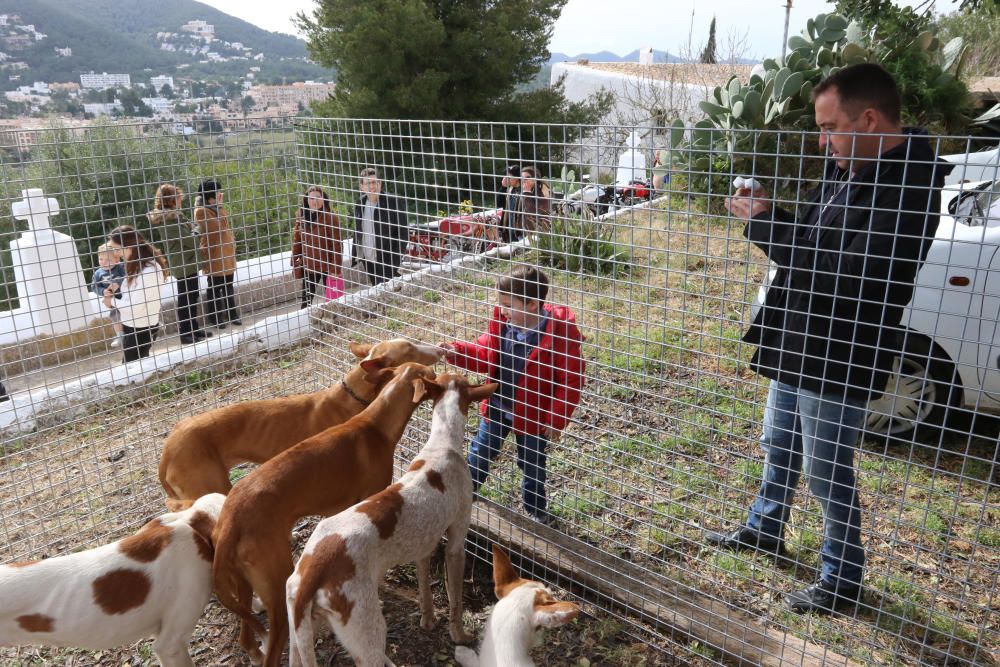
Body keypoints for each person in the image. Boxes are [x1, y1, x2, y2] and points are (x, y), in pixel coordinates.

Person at [708, 63, 951, 614]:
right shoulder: (850, 162)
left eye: (829, 127)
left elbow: (853, 276)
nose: (822, 141)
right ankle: (765, 527)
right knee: (779, 443)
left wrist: (766, 226)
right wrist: (770, 211)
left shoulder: (911, 186)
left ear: (868, 119)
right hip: (799, 336)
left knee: (825, 472)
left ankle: (842, 578)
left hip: (841, 350)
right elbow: (816, 239)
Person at [440, 265, 585, 524]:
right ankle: (464, 496)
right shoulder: (503, 326)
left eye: (508, 304)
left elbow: (571, 381)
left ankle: (536, 511)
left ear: (531, 305)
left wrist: (556, 418)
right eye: (501, 303)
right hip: (498, 406)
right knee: (480, 452)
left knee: (532, 464)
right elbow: (485, 354)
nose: (502, 309)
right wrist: (457, 351)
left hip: (534, 416)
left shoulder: (560, 334)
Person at [147, 183, 212, 345]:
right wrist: (197, 229)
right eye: (178, 198)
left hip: (187, 262)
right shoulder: (168, 221)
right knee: (186, 299)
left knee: (192, 295)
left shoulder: (175, 216)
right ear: (171, 200)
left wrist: (194, 229)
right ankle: (185, 333)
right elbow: (191, 240)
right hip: (183, 263)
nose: (181, 200)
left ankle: (194, 328)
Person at [103, 225, 169, 363]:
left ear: (128, 246)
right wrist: (118, 288)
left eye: (117, 249)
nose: (116, 254)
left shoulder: (149, 271)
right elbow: (135, 294)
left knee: (132, 371)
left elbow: (136, 306)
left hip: (141, 329)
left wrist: (112, 302)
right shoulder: (138, 264)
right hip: (133, 326)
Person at [194, 179, 241, 330]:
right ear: (210, 195)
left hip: (226, 253)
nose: (221, 194)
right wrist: (220, 207)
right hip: (214, 254)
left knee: (228, 286)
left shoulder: (216, 208)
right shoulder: (201, 211)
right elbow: (218, 227)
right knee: (215, 288)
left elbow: (225, 224)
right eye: (218, 192)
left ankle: (232, 315)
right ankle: (216, 318)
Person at [352, 167, 409, 285]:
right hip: (367, 259)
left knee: (388, 290)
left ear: (380, 183)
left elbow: (403, 233)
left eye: (375, 182)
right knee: (377, 289)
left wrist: (395, 261)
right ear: (362, 187)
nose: (372, 186)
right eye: (368, 183)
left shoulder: (393, 202)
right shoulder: (359, 203)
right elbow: (358, 229)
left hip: (387, 259)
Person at [292, 186, 342, 308]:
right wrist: (295, 257)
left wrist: (335, 269)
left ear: (323, 199)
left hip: (327, 265)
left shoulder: (330, 217)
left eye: (318, 197)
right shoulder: (301, 217)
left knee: (333, 300)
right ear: (307, 200)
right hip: (310, 265)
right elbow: (297, 240)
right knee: (306, 301)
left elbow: (337, 244)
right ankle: (307, 323)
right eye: (312, 198)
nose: (315, 201)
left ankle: (336, 322)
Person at [90, 242, 126, 345]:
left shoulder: (120, 267)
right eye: (101, 259)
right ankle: (120, 335)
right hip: (113, 300)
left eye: (108, 260)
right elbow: (94, 286)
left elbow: (128, 276)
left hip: (126, 296)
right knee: (115, 316)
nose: (103, 262)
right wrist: (103, 291)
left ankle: (152, 323)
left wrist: (118, 283)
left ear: (116, 260)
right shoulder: (98, 273)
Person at [517, 166, 552, 235]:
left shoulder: (543, 190)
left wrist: (527, 192)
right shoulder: (528, 190)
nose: (524, 180)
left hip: (538, 233)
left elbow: (533, 211)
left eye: (528, 177)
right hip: (525, 231)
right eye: (522, 178)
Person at [495, 164, 522, 243]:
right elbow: (498, 204)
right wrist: (503, 187)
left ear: (517, 178)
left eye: (509, 177)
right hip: (508, 227)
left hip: (518, 228)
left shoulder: (523, 190)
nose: (507, 179)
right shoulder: (509, 190)